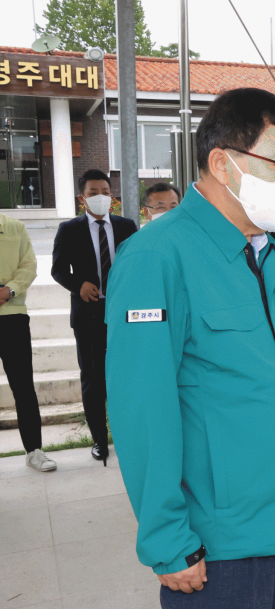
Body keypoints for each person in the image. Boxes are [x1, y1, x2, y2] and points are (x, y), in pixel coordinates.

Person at [104, 88, 275, 609]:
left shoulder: (270, 255)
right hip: (218, 546)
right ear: (223, 163)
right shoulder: (157, 256)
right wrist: (167, 538)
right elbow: (141, 410)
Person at [51, 169, 137, 464]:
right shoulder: (69, 229)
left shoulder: (127, 226)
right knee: (93, 379)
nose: (100, 196)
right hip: (88, 315)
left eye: (104, 191)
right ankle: (100, 440)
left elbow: (138, 264)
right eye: (92, 192)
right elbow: (58, 270)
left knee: (125, 377)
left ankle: (127, 436)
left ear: (112, 196)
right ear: (81, 197)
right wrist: (78, 285)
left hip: (123, 315)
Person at [0, 214, 53, 472]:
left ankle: (34, 451)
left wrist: (8, 290)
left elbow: (29, 264)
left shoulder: (14, 227)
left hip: (12, 317)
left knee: (23, 387)